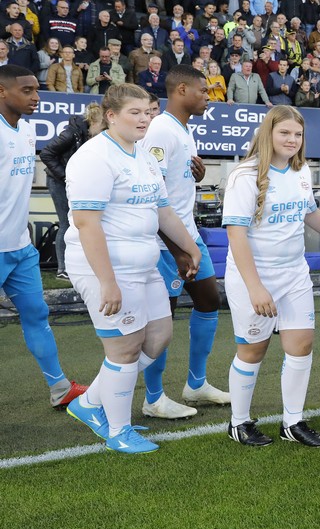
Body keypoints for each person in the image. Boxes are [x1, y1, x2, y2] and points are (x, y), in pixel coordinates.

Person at [63, 83, 201, 454]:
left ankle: (90, 402)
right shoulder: (93, 157)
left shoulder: (143, 155)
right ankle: (118, 431)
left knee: (158, 337)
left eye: (148, 112)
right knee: (124, 349)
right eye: (134, 113)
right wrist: (107, 282)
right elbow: (87, 224)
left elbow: (163, 211)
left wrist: (189, 247)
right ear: (111, 116)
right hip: (107, 267)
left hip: (144, 263)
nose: (144, 119)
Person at [222, 106, 320, 447]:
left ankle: (292, 423)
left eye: (297, 134)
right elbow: (236, 235)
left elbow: (310, 212)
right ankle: (239, 422)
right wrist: (255, 287)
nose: (292, 140)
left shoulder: (301, 170)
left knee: (301, 345)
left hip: (295, 273)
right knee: (253, 349)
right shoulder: (244, 175)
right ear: (268, 133)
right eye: (284, 133)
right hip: (255, 276)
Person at [140, 66, 231, 420]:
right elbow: (153, 197)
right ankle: (153, 398)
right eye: (203, 91)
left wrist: (198, 176)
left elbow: (174, 185)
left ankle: (196, 383)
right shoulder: (161, 130)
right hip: (167, 245)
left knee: (209, 301)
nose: (208, 97)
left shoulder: (183, 129)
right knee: (161, 319)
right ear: (181, 90)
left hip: (187, 235)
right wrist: (178, 250)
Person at [0, 65, 87, 408]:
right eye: (27, 91)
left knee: (37, 315)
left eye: (36, 90)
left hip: (20, 249)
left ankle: (60, 388)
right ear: (2, 92)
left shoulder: (25, 129)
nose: (36, 97)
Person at [40, 103, 103, 280]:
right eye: (103, 125)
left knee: (79, 222)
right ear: (94, 121)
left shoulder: (92, 135)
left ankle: (78, 264)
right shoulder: (71, 133)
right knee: (66, 222)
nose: (105, 130)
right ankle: (63, 268)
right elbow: (46, 154)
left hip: (76, 181)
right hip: (59, 181)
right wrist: (65, 176)